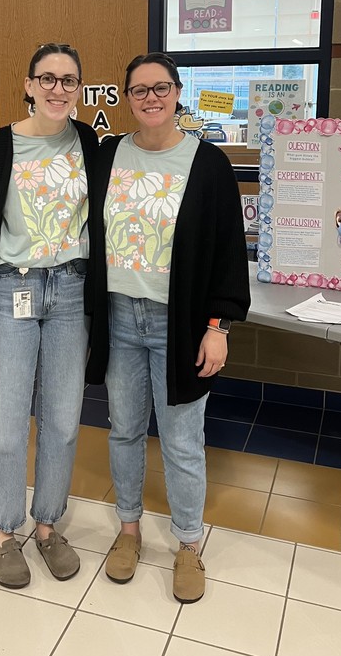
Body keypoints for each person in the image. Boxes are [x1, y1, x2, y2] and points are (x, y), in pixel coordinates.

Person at [86, 52, 250, 605]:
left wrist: (218, 326)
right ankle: (128, 531)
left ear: (178, 93)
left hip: (178, 325)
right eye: (138, 90)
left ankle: (187, 544)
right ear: (126, 98)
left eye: (160, 88)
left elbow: (229, 253)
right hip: (119, 319)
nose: (150, 98)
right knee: (126, 430)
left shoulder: (208, 164)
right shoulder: (110, 155)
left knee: (182, 441)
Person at [0, 43, 99, 589]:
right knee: (9, 423)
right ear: (30, 85)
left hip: (71, 292)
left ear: (79, 88)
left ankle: (48, 525)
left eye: (69, 79)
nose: (58, 88)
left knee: (61, 421)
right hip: (11, 288)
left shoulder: (88, 143)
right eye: (48, 78)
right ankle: (5, 533)